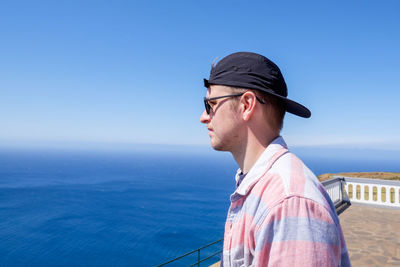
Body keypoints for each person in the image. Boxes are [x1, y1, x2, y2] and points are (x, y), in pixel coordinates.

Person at [200, 52, 350, 266]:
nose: (204, 116)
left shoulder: (289, 204)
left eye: (211, 104)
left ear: (246, 105)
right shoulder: (262, 188)